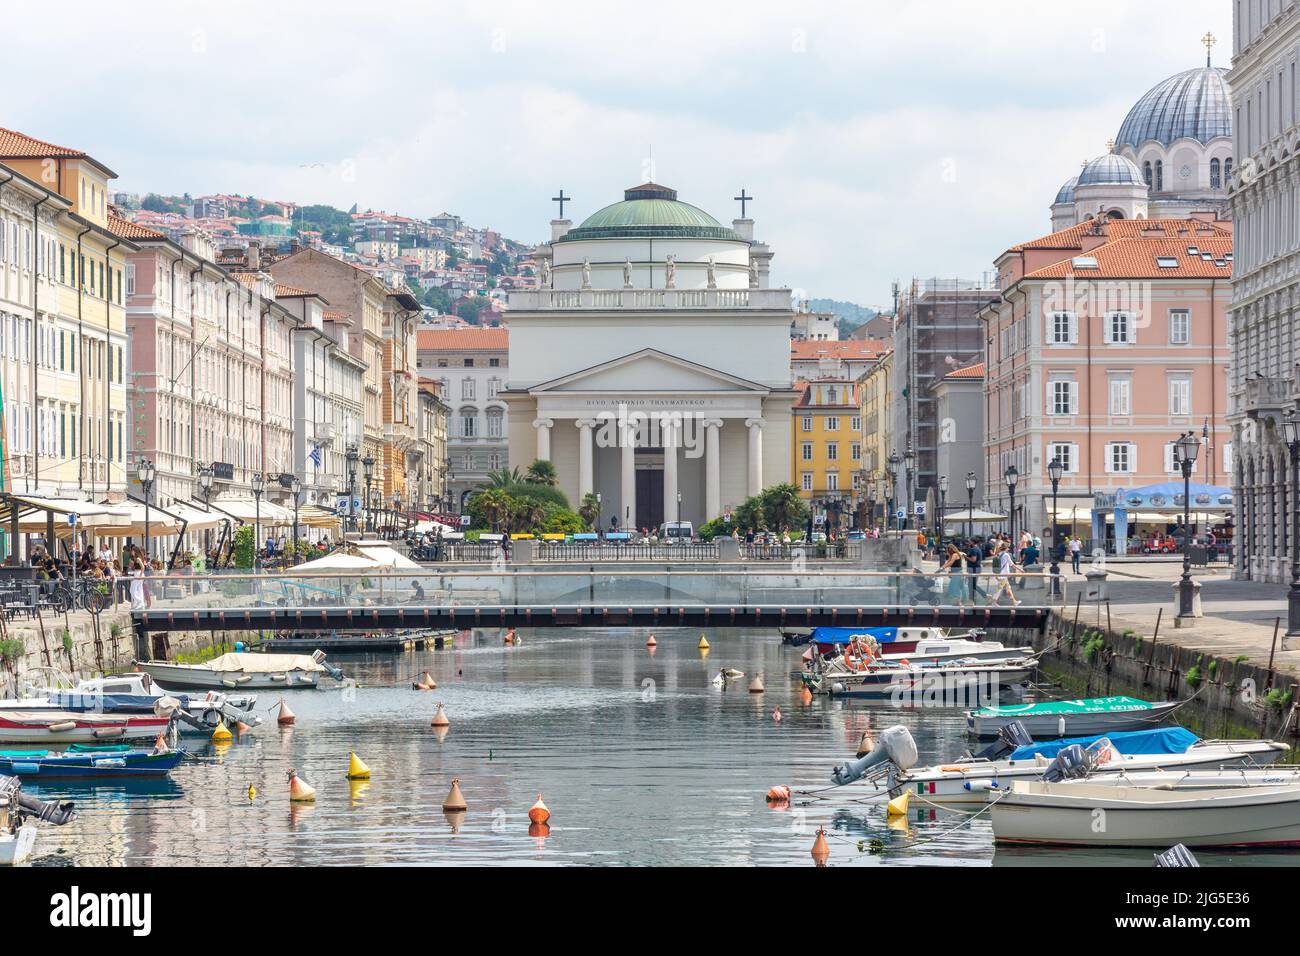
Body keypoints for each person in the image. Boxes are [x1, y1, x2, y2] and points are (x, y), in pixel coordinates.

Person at [990, 542, 1022, 607]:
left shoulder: (998, 554)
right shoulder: (1006, 555)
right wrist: (1020, 569)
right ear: (1006, 548)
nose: (1009, 549)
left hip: (999, 574)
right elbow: (1011, 564)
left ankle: (1014, 602)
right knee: (999, 589)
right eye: (1008, 547)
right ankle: (994, 602)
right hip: (1003, 575)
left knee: (1008, 588)